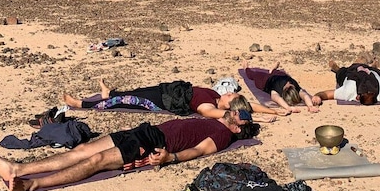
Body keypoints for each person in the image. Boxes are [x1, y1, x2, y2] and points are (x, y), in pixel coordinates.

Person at [0, 109, 259, 191]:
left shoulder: (223, 135)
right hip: (144, 130)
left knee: (95, 161)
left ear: (239, 129)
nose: (237, 112)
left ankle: (30, 184)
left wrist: (169, 158)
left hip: (152, 144)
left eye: (242, 116)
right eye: (238, 110)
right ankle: (17, 168)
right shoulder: (216, 118)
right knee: (83, 149)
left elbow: (200, 151)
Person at [62, 78, 289, 121]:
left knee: (128, 101)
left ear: (229, 105)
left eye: (232, 95)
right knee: (136, 91)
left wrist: (254, 120)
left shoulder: (209, 107)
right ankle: (109, 93)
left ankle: (81, 104)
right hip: (169, 89)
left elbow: (234, 113)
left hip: (163, 101)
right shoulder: (217, 97)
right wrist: (275, 111)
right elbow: (250, 106)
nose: (229, 92)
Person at [244, 61, 321, 113]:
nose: (288, 83)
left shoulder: (278, 90)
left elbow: (304, 96)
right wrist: (288, 108)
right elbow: (305, 95)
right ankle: (246, 68)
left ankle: (272, 70)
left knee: (257, 75)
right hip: (266, 80)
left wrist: (310, 106)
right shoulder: (283, 89)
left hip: (276, 77)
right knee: (253, 74)